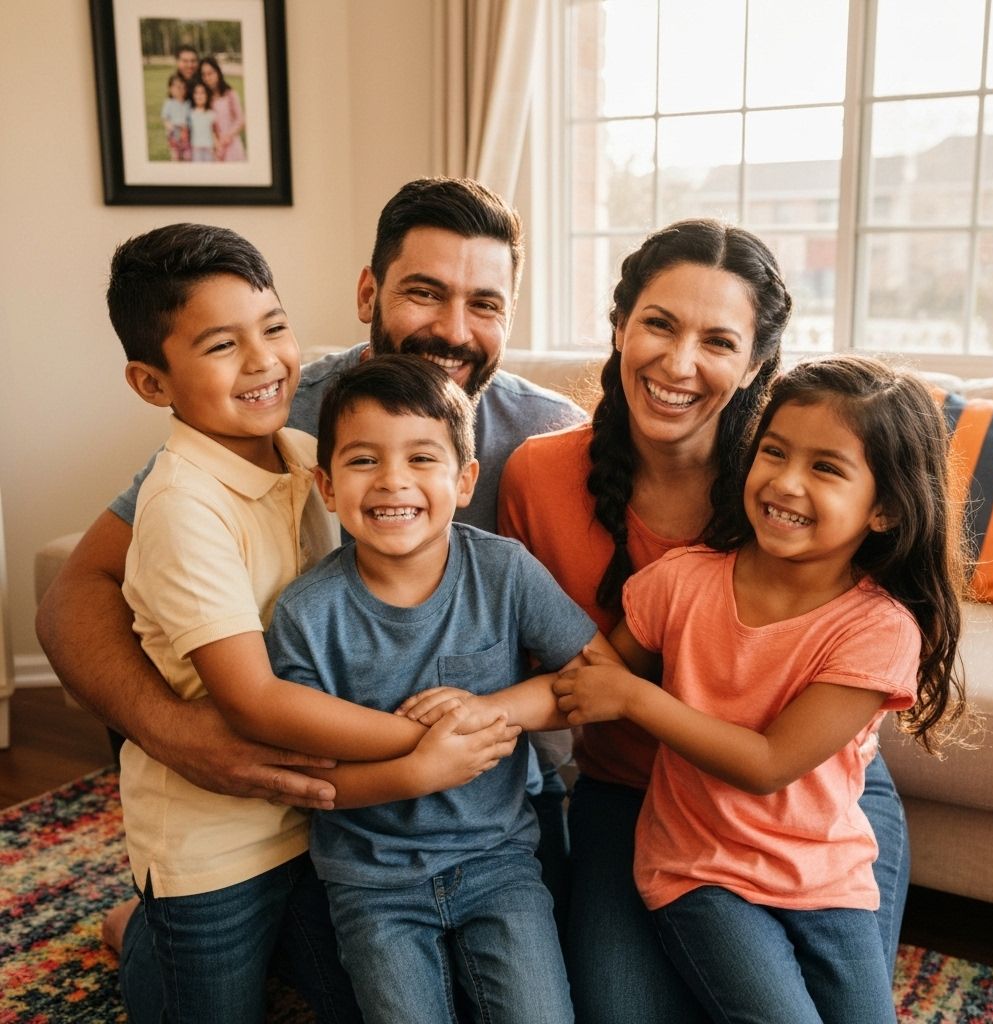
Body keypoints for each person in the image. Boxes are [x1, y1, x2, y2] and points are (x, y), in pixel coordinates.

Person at [35, 178, 584, 1009]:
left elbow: (599, 656)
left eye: (485, 303)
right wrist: (173, 730)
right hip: (337, 811)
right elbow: (78, 585)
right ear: (370, 291)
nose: (453, 329)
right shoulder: (289, 415)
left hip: (490, 803)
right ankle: (159, 929)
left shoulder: (548, 436)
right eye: (425, 292)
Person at [498, 219, 914, 1022]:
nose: (679, 363)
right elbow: (543, 664)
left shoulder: (790, 490)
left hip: (810, 808)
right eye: (658, 324)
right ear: (619, 328)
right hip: (636, 797)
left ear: (756, 364)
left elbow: (857, 640)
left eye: (717, 340)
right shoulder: (538, 476)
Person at [552, 354, 970, 1023]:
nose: (785, 481)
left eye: (826, 467)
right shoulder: (682, 580)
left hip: (826, 876)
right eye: (774, 452)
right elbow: (591, 676)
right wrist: (487, 710)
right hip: (700, 871)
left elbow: (769, 764)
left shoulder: (881, 629)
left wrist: (636, 700)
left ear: (886, 509)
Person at [262, 353, 612, 1023]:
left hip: (499, 860)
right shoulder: (307, 614)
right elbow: (316, 781)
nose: (393, 481)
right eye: (363, 461)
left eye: (422, 458)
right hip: (371, 882)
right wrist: (420, 770)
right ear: (327, 486)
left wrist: (490, 709)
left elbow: (591, 675)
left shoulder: (503, 571)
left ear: (464, 478)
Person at [199, 56, 246, 161]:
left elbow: (240, 119)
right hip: (212, 148)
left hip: (232, 144)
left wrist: (226, 138)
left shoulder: (230, 94)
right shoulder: (203, 97)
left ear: (218, 73)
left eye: (210, 73)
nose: (207, 78)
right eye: (204, 75)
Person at [159, 73, 191, 161]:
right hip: (174, 133)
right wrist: (169, 126)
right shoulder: (169, 103)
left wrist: (187, 126)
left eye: (183, 87)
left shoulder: (187, 104)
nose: (180, 90)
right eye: (177, 87)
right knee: (175, 155)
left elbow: (190, 119)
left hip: (185, 134)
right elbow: (165, 117)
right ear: (170, 89)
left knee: (187, 156)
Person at [186, 81, 216, 162]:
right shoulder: (190, 113)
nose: (199, 96)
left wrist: (216, 147)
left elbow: (213, 132)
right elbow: (188, 132)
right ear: (193, 95)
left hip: (209, 148)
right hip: (196, 148)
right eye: (196, 93)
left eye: (202, 93)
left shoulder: (211, 114)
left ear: (207, 96)